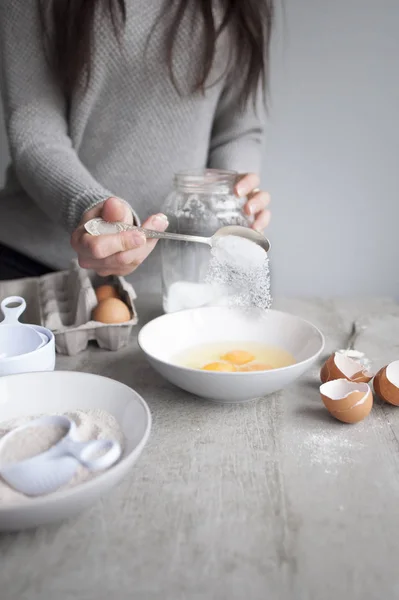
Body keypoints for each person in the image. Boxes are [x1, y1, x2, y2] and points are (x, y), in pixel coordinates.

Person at [0, 0, 273, 285]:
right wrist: (91, 206)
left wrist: (232, 198)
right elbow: (35, 129)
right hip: (34, 265)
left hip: (184, 276)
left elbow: (238, 130)